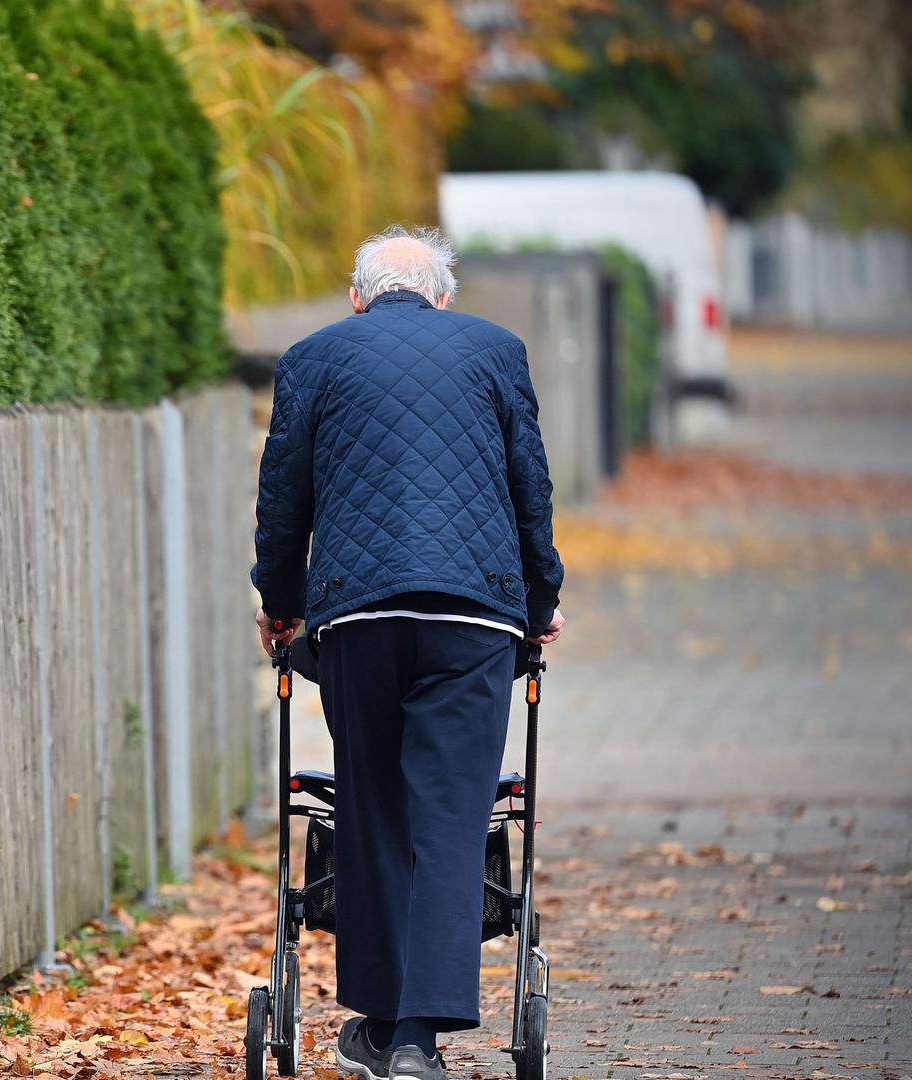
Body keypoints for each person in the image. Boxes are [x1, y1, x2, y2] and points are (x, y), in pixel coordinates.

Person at [251, 225, 566, 1080]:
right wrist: (540, 604)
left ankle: (384, 1023)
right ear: (443, 297)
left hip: (356, 619)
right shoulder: (497, 350)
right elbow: (527, 484)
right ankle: (416, 1041)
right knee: (454, 818)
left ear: (356, 298)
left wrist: (280, 606)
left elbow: (284, 497)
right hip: (473, 621)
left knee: (374, 807)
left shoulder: (314, 357)